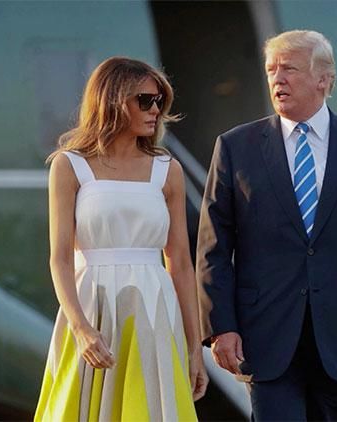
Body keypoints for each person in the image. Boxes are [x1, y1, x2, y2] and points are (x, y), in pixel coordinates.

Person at [196, 30, 337, 420]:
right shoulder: (235, 146)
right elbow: (213, 245)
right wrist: (220, 326)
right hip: (266, 337)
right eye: (271, 70)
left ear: (324, 79)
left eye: (290, 69)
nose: (277, 79)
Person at [34, 56, 207, 421]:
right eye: (145, 100)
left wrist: (195, 348)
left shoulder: (168, 170)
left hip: (154, 310)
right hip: (90, 308)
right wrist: (80, 327)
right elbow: (59, 258)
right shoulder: (69, 165)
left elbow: (179, 263)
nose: (156, 110)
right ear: (112, 100)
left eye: (159, 101)